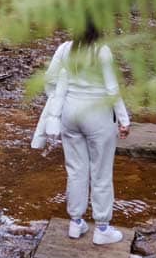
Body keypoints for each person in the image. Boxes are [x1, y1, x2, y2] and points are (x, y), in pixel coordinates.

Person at [32, 20, 131, 244]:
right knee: (101, 172)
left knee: (75, 170)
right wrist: (124, 120)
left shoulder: (65, 49)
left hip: (69, 114)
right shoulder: (101, 51)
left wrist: (57, 100)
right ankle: (102, 228)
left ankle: (76, 223)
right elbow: (112, 88)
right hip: (97, 115)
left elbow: (49, 79)